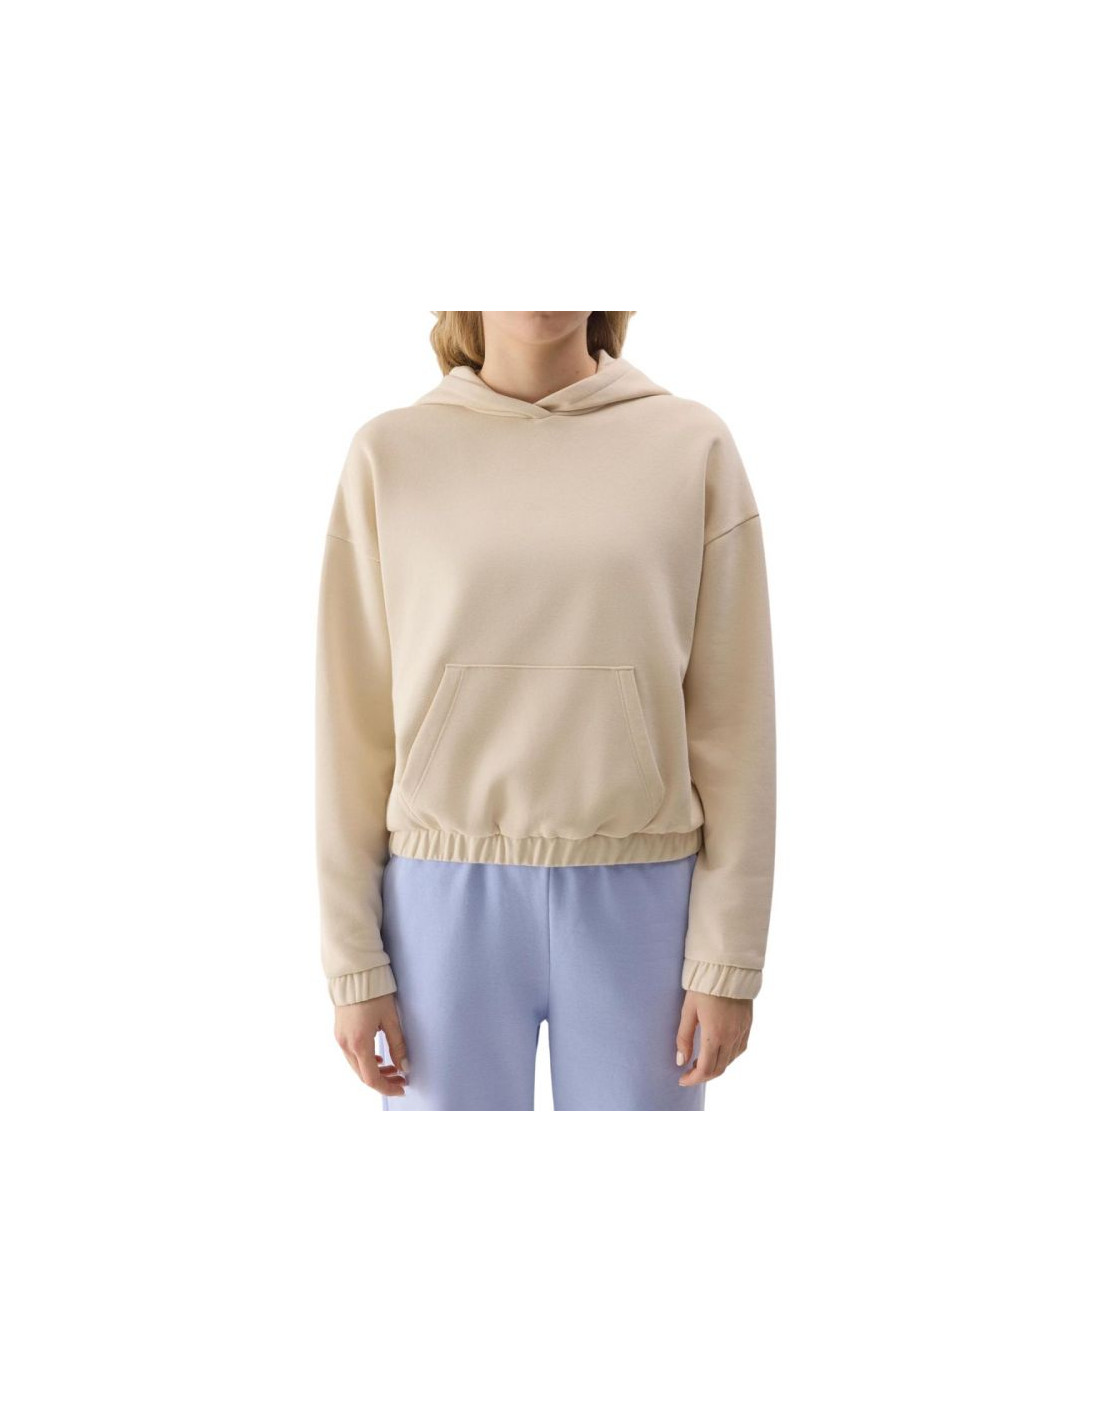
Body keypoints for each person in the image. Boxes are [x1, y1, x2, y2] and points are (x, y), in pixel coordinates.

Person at [315, 311, 776, 1111]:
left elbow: (735, 723)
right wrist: (352, 962)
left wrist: (728, 958)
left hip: (642, 895)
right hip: (441, 897)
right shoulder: (390, 455)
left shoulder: (689, 446)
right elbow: (348, 732)